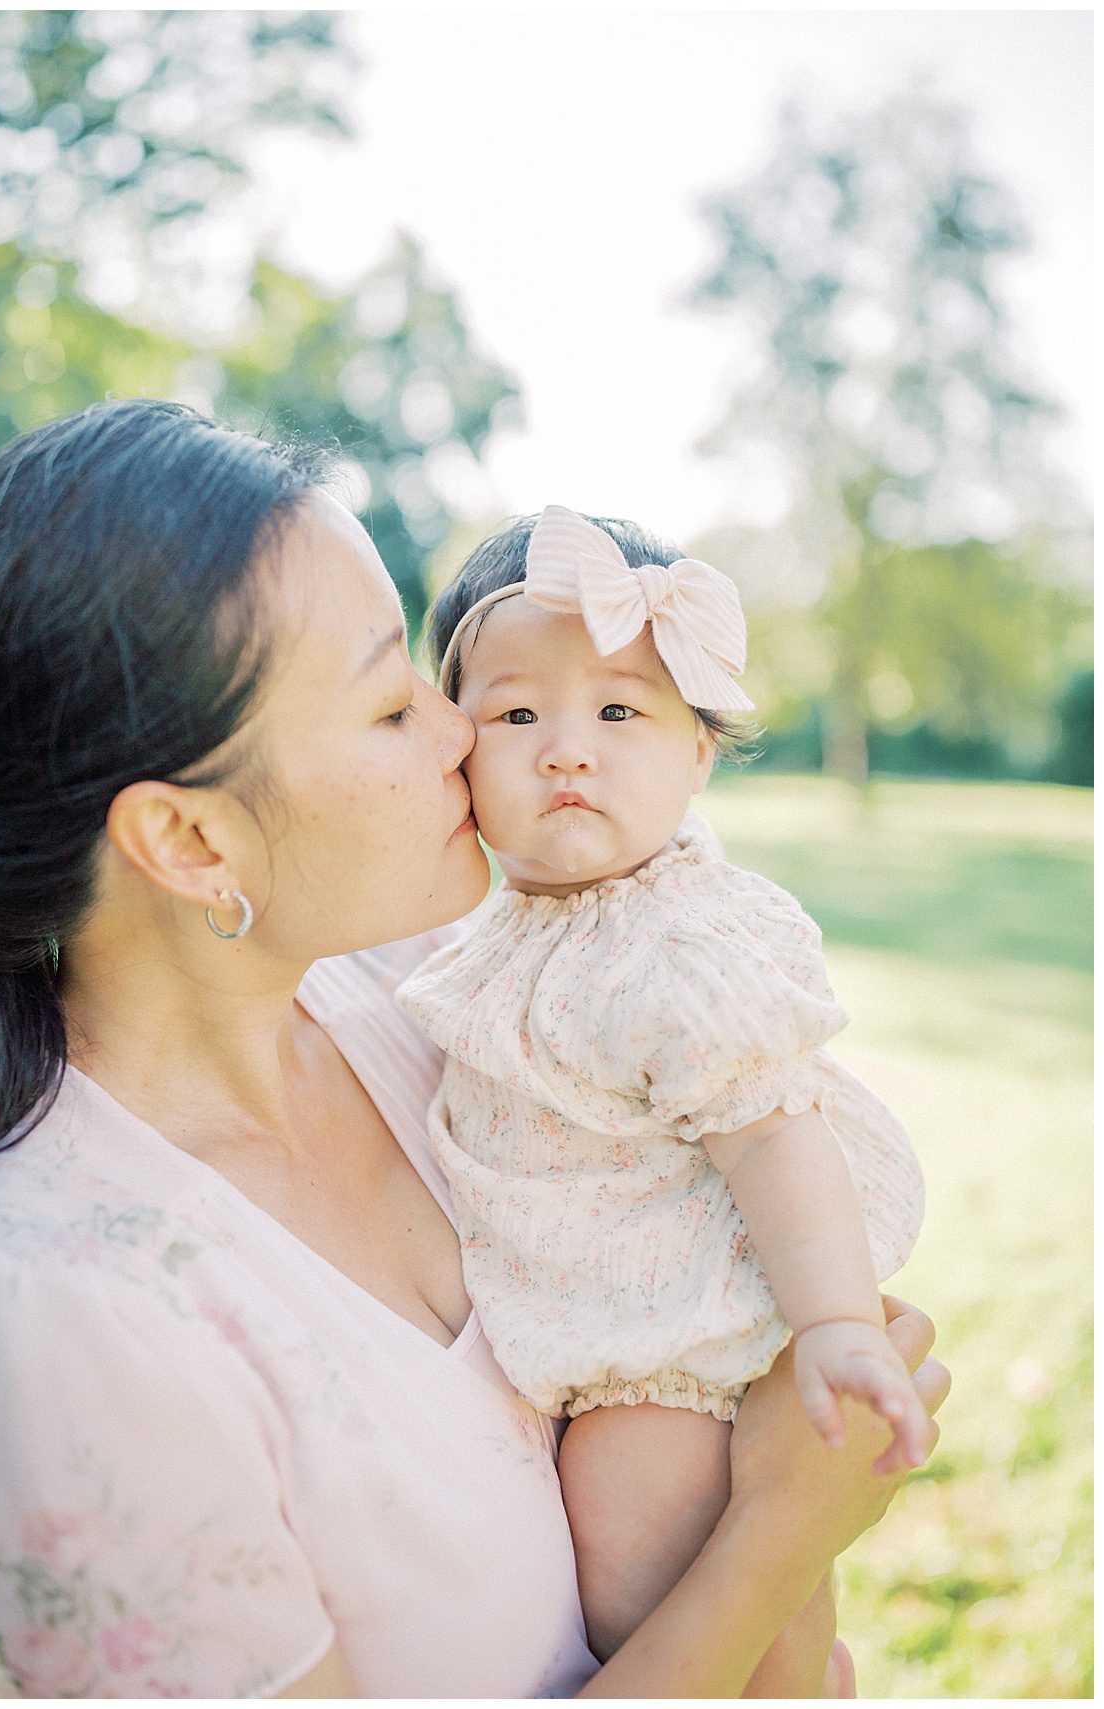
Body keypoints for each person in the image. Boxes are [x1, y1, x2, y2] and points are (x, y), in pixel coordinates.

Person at [0, 401, 948, 1700]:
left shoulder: (419, 1004)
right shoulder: (68, 1323)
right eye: (393, 708)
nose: (466, 737)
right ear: (194, 845)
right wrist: (778, 1534)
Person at [398, 504, 928, 1676]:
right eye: (518, 712)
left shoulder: (679, 945)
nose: (568, 748)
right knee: (744, 1617)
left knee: (656, 1590)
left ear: (699, 750)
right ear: (454, 750)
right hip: (589, 1332)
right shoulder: (498, 933)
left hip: (666, 1355)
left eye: (620, 709)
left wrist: (838, 1323)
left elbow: (776, 1137)